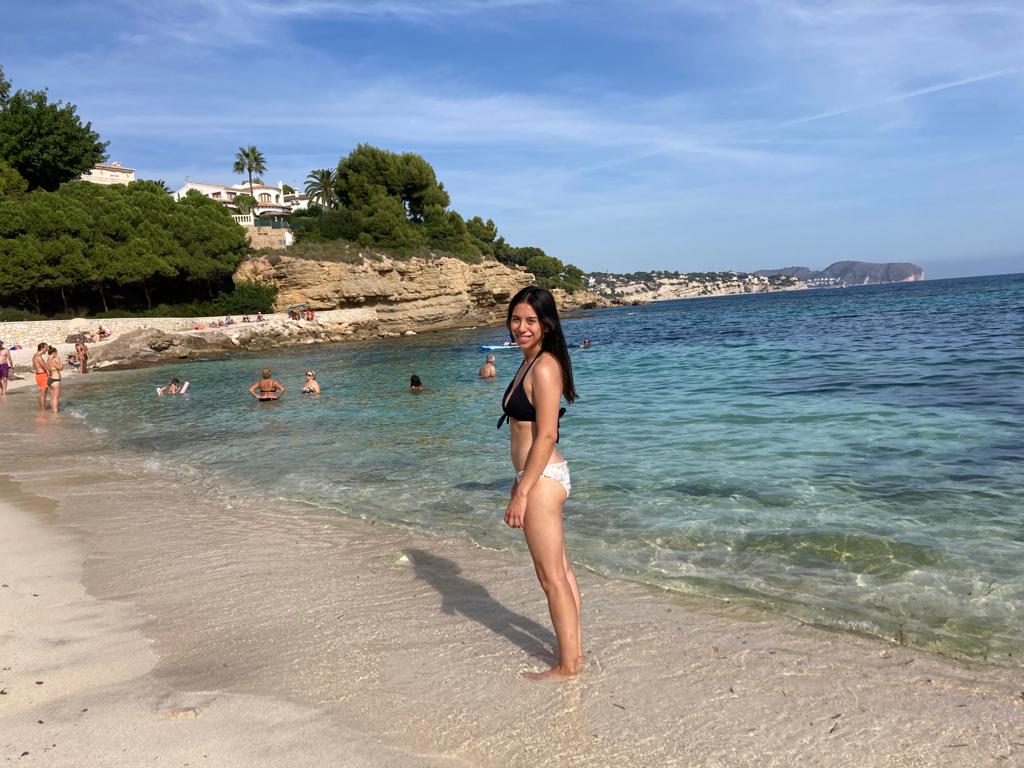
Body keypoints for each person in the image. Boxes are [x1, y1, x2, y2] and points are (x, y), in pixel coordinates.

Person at [498, 286, 581, 680]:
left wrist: (522, 491)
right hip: (539, 476)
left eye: (531, 320)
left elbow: (546, 435)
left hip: (542, 478)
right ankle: (574, 654)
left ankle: (568, 666)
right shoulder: (529, 361)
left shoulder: (544, 367)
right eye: (516, 319)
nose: (522, 327)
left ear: (546, 324)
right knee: (561, 572)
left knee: (551, 578)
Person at [32, 342, 49, 411]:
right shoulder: (39, 357)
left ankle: (41, 408)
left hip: (38, 375)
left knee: (41, 393)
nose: (47, 350)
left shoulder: (35, 356)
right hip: (42, 375)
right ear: (42, 348)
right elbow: (45, 368)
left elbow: (34, 366)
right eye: (46, 348)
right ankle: (43, 409)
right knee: (43, 394)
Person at [45, 346, 62, 413]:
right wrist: (59, 359)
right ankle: (55, 412)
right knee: (56, 397)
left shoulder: (47, 361)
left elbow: (48, 370)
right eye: (56, 353)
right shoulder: (53, 361)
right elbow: (61, 368)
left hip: (50, 380)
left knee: (52, 397)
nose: (57, 354)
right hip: (55, 380)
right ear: (53, 353)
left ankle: (53, 410)